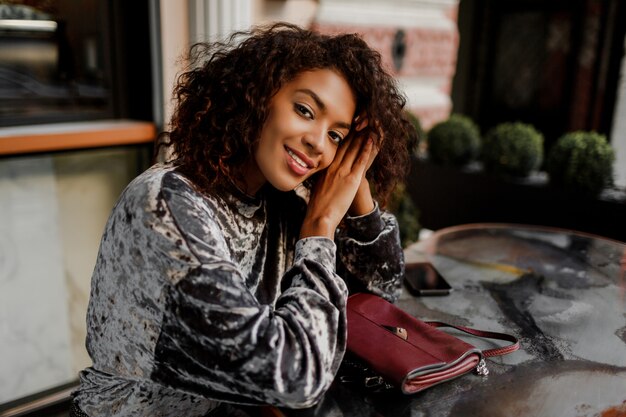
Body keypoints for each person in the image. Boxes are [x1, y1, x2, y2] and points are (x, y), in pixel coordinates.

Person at [71, 22, 414, 416]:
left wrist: (358, 186)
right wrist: (320, 229)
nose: (318, 144)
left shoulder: (277, 207)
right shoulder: (167, 204)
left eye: (336, 136)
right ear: (257, 99)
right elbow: (294, 380)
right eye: (305, 110)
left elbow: (378, 295)